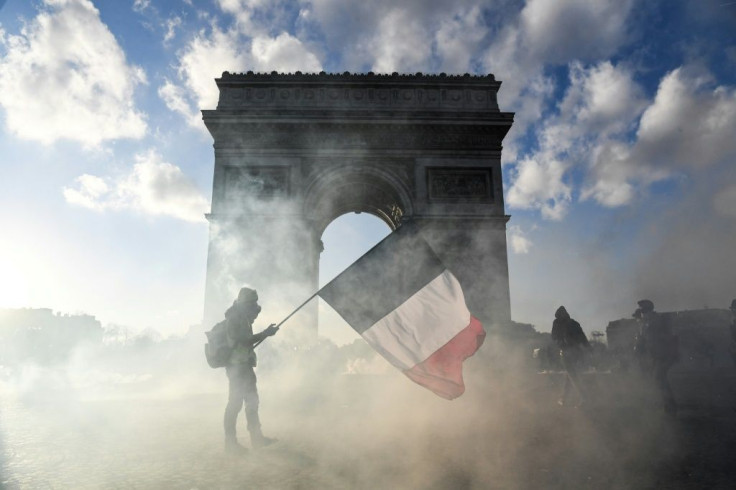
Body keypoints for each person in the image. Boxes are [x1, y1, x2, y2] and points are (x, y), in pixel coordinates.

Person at [223, 287, 279, 454]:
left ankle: (257, 438)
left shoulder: (242, 318)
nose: (255, 306)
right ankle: (231, 444)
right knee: (235, 404)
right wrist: (265, 333)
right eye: (252, 302)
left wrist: (265, 334)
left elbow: (245, 341)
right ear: (245, 303)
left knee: (252, 402)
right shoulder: (234, 318)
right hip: (237, 367)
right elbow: (243, 341)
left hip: (244, 365)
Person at [633, 299, 678, 414]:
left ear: (647, 310)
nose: (641, 312)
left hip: (663, 354)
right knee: (657, 379)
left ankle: (670, 406)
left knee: (659, 378)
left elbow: (661, 336)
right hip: (655, 355)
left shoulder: (655, 320)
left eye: (642, 310)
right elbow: (642, 340)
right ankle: (666, 404)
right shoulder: (644, 322)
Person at [551, 306, 590, 407]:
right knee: (570, 375)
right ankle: (564, 398)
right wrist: (588, 348)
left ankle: (584, 397)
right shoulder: (571, 323)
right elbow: (583, 337)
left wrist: (588, 347)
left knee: (572, 375)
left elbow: (582, 337)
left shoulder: (563, 323)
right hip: (571, 352)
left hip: (570, 352)